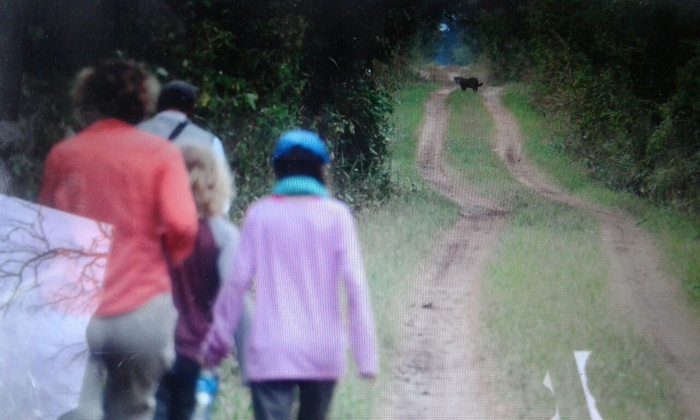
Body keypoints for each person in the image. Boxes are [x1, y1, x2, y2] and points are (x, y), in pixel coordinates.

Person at [39, 59, 199, 420]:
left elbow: (45, 231)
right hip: (141, 309)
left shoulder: (64, 155)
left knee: (77, 411)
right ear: (143, 102)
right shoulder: (162, 154)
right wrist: (168, 263)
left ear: (88, 98)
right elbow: (184, 226)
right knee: (134, 410)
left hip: (75, 311)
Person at [201, 129, 378, 420]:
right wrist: (365, 355)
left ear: (277, 170)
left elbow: (235, 286)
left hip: (271, 350)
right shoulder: (337, 216)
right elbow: (356, 286)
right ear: (321, 171)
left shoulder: (260, 215)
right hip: (322, 350)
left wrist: (217, 344)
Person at [154, 141, 252, 420]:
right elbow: (234, 300)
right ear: (215, 180)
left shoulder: (156, 232)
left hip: (155, 351)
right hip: (199, 355)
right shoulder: (224, 235)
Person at [138, 80, 227, 166]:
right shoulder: (210, 141)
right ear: (193, 109)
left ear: (156, 105)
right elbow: (220, 179)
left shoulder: (134, 131)